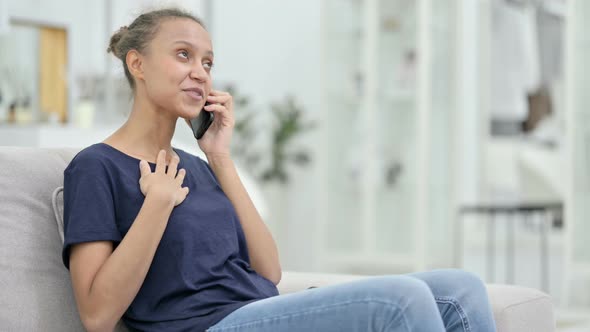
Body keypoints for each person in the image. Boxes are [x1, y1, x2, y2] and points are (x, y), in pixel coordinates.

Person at [62, 7, 497, 332]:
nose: (200, 73)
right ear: (137, 64)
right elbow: (97, 315)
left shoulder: (198, 165)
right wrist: (156, 204)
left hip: (257, 308)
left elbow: (268, 271)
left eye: (208, 63)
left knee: (461, 288)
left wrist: (220, 158)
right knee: (402, 299)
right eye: (183, 55)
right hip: (207, 326)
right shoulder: (96, 167)